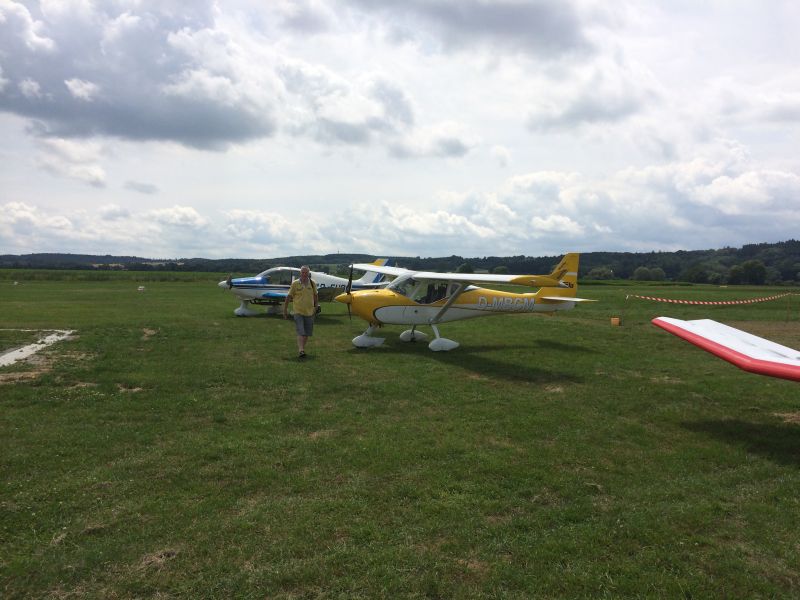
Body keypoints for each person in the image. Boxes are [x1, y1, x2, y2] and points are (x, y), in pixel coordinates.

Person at [283, 265, 319, 359]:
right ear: (300, 273)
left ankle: (302, 348)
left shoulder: (313, 283)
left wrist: (316, 306)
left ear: (308, 273)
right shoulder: (295, 283)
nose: (304, 274)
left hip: (309, 312)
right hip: (298, 311)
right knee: (301, 331)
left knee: (306, 333)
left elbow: (315, 295)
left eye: (306, 272)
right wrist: (285, 310)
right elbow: (288, 297)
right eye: (303, 272)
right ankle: (301, 350)